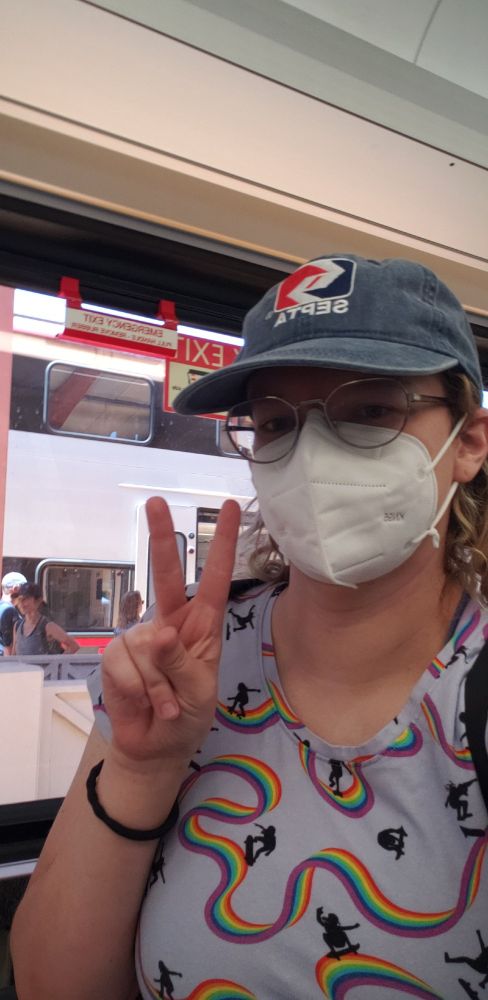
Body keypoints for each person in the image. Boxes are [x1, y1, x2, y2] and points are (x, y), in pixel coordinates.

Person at [11, 254, 488, 1000]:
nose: (314, 456)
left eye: (370, 411)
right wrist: (142, 768)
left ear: (468, 442)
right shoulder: (184, 668)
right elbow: (52, 986)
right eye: (275, 422)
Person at [12, 582, 80, 656]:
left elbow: (73, 646)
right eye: (19, 599)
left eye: (26, 599)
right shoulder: (17, 626)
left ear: (38, 601)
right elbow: (13, 655)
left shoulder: (47, 626)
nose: (21, 603)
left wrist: (56, 663)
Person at [0, 572, 26, 655]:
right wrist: (11, 665)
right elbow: (8, 644)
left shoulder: (2, 607)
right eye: (24, 588)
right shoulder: (9, 611)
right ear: (15, 588)